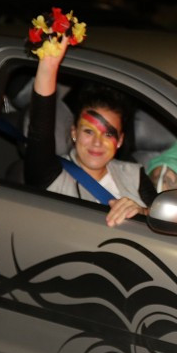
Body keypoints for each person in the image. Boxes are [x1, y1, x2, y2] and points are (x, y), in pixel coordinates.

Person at [25, 34, 156, 226]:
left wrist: (141, 211)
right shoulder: (51, 174)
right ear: (74, 132)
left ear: (119, 141)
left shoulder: (134, 174)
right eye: (88, 131)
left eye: (108, 133)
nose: (97, 142)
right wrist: (48, 68)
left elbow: (165, 217)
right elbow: (39, 131)